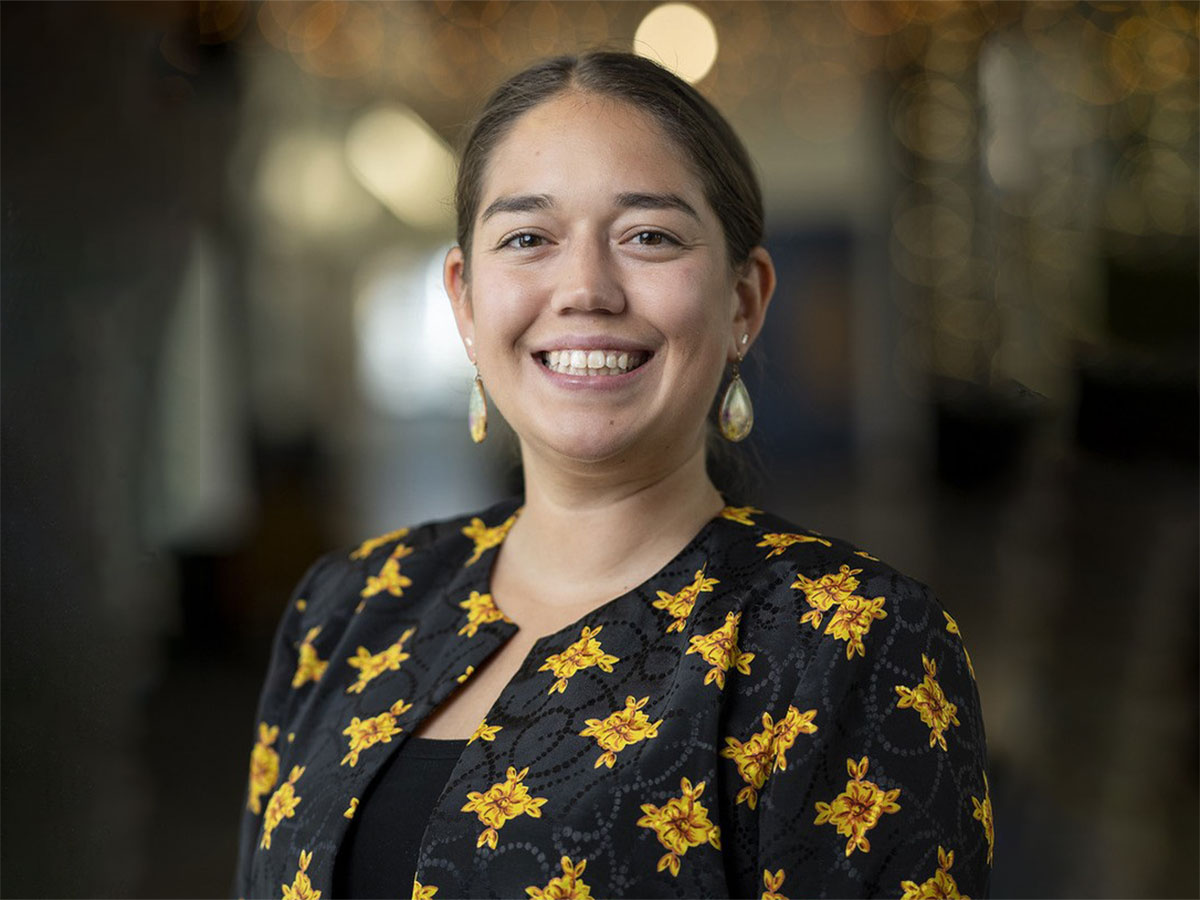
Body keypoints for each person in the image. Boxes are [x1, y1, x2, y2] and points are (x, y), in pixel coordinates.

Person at [235, 51, 992, 900]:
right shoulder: (349, 606)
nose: (586, 288)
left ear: (743, 302)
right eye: (528, 238)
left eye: (648, 237)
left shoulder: (847, 642)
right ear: (466, 301)